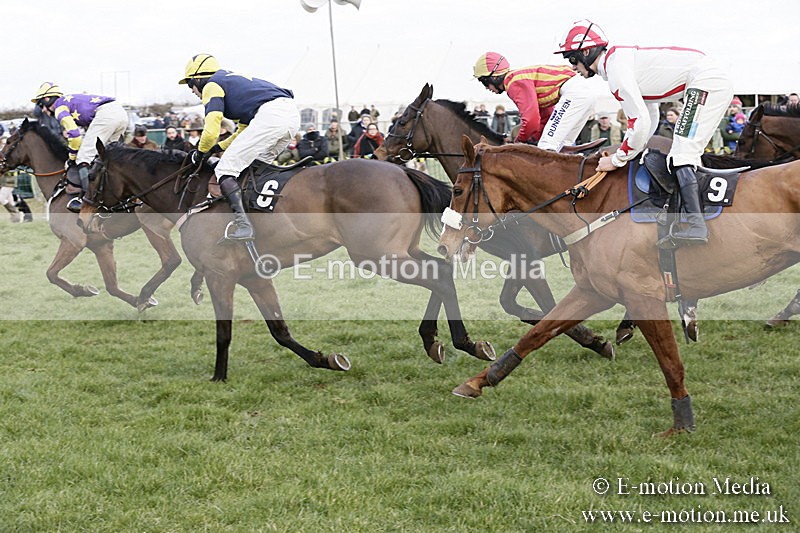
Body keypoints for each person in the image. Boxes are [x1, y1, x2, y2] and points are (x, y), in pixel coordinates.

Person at [556, 19, 733, 248]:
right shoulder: (617, 63)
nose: (572, 66)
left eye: (572, 59)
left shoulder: (616, 70)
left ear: (587, 52)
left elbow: (638, 123)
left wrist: (618, 159)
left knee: (681, 154)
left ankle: (697, 226)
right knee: (680, 153)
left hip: (705, 82)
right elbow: (649, 115)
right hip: (705, 79)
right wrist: (635, 149)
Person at [179, 53, 300, 241]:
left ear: (198, 78)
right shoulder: (233, 83)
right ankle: (263, 215)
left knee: (225, 169)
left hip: (270, 116)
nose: (192, 91)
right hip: (290, 116)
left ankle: (244, 226)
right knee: (254, 168)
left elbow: (211, 129)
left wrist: (201, 152)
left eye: (189, 84)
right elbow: (242, 131)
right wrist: (215, 148)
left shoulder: (211, 85)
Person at [31, 82, 129, 212]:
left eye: (41, 105)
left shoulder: (60, 108)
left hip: (106, 115)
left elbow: (75, 136)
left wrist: (72, 157)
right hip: (121, 113)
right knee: (108, 158)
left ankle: (88, 201)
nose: (43, 110)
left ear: (47, 99)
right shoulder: (68, 102)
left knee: (83, 158)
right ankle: (120, 195)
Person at [472, 51, 596, 150]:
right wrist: (531, 139)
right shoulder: (522, 79)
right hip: (586, 94)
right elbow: (545, 117)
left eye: (484, 82)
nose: (487, 88)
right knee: (563, 147)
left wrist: (518, 141)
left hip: (574, 93)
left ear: (493, 77)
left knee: (547, 145)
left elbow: (531, 120)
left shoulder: (513, 82)